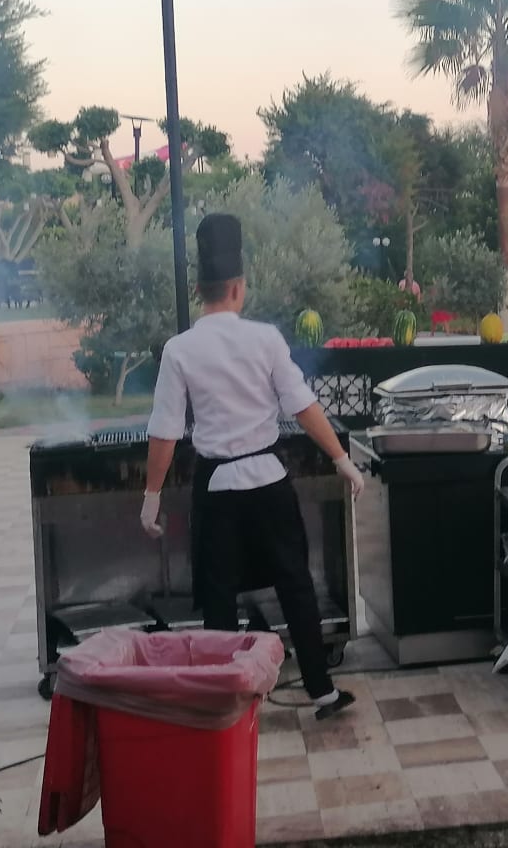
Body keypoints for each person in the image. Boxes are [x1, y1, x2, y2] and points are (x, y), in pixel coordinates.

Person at [142, 214, 365, 721]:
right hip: (269, 482)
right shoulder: (266, 339)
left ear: (199, 290)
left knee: (219, 597)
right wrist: (342, 461)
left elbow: (165, 431)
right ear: (239, 288)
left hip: (217, 488)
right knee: (295, 584)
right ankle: (321, 691)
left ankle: (227, 704)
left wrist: (151, 497)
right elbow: (303, 406)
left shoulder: (179, 349)